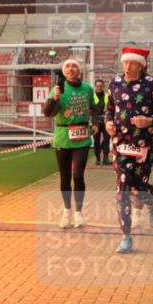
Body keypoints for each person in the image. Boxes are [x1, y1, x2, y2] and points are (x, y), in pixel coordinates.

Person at [104, 46, 153, 254]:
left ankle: (151, 201)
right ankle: (126, 236)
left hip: (144, 144)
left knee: (138, 186)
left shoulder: (151, 85)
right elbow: (109, 110)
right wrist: (108, 123)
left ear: (141, 66)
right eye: (125, 62)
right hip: (121, 143)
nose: (127, 66)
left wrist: (150, 120)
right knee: (123, 188)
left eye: (132, 63)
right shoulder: (115, 84)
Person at [42, 57, 96, 228]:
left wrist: (95, 123)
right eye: (68, 67)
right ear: (64, 71)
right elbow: (48, 113)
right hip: (63, 136)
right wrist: (54, 99)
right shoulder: (57, 89)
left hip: (81, 137)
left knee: (78, 175)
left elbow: (95, 108)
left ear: (79, 70)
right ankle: (67, 212)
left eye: (74, 66)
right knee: (65, 177)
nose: (71, 69)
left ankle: (79, 213)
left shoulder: (87, 88)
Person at [90, 78, 109, 166]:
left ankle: (105, 158)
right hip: (95, 121)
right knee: (96, 141)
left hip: (105, 120)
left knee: (106, 140)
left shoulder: (107, 96)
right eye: (97, 86)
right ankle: (97, 159)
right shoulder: (91, 97)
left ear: (103, 87)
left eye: (101, 86)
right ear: (95, 87)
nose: (99, 87)